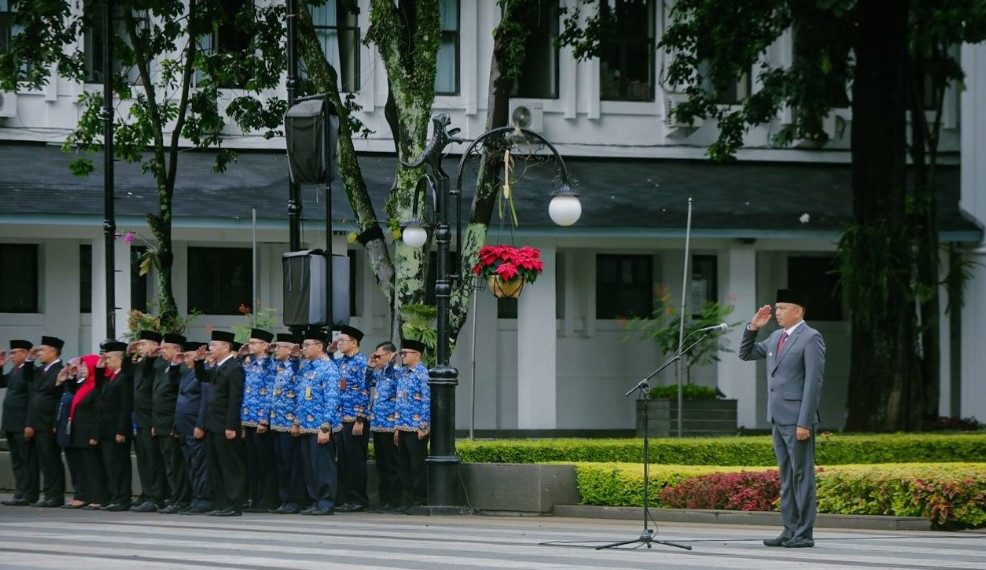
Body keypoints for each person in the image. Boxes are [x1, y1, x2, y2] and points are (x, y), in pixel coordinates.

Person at [739, 288, 825, 549]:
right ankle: (789, 530)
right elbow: (746, 353)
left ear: (799, 311)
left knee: (802, 476)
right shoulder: (776, 336)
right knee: (786, 477)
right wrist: (753, 327)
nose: (777, 313)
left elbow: (813, 382)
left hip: (797, 420)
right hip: (777, 418)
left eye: (783, 308)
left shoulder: (811, 338)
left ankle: (804, 533)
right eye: (776, 308)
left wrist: (804, 422)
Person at [196, 330, 248, 517]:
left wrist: (231, 426)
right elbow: (203, 377)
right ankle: (222, 502)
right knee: (216, 465)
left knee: (230, 466)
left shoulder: (235, 368)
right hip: (212, 424)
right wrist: (198, 361)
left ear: (226, 347)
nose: (211, 348)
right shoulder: (218, 366)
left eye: (214, 345)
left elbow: (235, 399)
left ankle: (234, 504)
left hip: (225, 425)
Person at [294, 328, 341, 516]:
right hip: (306, 425)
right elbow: (300, 396)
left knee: (323, 465)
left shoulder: (328, 368)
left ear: (319, 346)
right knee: (310, 466)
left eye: (307, 345)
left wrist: (325, 426)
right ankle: (316, 500)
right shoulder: (307, 367)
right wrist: (297, 421)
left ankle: (326, 501)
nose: (303, 349)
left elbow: (332, 398)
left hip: (320, 426)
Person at [60, 355, 108, 510]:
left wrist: (94, 435)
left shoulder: (97, 386)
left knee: (92, 466)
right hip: (76, 432)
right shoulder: (84, 384)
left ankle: (97, 497)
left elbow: (97, 413)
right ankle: (81, 495)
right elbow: (74, 394)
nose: (82, 369)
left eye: (85, 366)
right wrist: (72, 377)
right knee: (79, 466)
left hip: (88, 434)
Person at [332, 325, 370, 512]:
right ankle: (345, 497)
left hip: (355, 419)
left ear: (354, 343)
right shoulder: (340, 362)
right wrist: (331, 352)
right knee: (344, 461)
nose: (339, 343)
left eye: (343, 340)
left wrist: (360, 419)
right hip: (341, 418)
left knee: (356, 461)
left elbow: (365, 392)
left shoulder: (362, 362)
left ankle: (358, 499)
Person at [24, 336, 66, 508]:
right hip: (37, 421)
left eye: (43, 350)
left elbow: (59, 398)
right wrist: (29, 359)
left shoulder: (60, 370)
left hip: (49, 422)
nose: (40, 353)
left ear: (53, 351)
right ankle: (48, 493)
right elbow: (28, 377)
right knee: (43, 460)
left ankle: (56, 495)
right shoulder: (41, 370)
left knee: (51, 459)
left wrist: (56, 423)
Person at [240, 328, 279, 513]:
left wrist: (264, 420)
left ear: (264, 345)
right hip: (248, 419)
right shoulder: (249, 365)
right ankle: (255, 499)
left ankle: (267, 500)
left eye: (254, 343)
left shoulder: (270, 365)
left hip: (261, 421)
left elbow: (271, 393)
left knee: (265, 462)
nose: (250, 345)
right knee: (252, 462)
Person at [153, 333, 191, 514]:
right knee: (169, 465)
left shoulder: (182, 368)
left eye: (166, 347)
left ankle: (181, 499)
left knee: (176, 465)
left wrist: (175, 425)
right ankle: (174, 496)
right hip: (161, 424)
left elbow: (178, 398)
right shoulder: (165, 367)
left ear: (177, 350)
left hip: (172, 424)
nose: (162, 350)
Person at [131, 330, 169, 512]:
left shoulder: (160, 363)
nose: (140, 347)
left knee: (154, 461)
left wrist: (155, 422)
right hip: (140, 419)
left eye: (143, 344)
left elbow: (156, 393)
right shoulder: (142, 362)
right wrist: (130, 353)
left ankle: (156, 496)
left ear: (155, 346)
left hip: (152, 419)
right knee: (144, 460)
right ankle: (147, 493)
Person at [268, 333, 306, 514]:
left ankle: (295, 500)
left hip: (290, 424)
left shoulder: (296, 368)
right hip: (277, 422)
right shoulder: (279, 367)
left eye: (279, 347)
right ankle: (284, 499)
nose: (275, 350)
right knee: (280, 464)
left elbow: (300, 397)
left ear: (289, 349)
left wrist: (297, 422)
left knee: (292, 465)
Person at [95, 341, 134, 511]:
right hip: (106, 429)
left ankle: (123, 498)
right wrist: (98, 370)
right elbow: (99, 393)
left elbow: (126, 406)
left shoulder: (124, 377)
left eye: (109, 358)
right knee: (111, 465)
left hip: (117, 430)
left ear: (119, 359)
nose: (107, 361)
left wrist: (121, 430)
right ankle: (114, 496)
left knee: (119, 466)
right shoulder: (111, 377)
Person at [0, 340, 39, 506]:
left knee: (27, 460)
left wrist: (29, 423)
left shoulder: (31, 372)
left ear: (25, 353)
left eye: (15, 352)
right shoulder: (15, 371)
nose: (12, 356)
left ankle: (29, 494)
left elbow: (32, 399)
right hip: (10, 423)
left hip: (23, 423)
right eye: (11, 353)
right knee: (17, 460)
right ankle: (20, 492)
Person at [393, 339, 430, 513]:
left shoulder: (423, 374)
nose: (402, 356)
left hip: (416, 428)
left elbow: (426, 401)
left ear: (417, 354)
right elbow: (399, 402)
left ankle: (419, 499)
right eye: (401, 353)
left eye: (405, 353)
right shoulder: (403, 373)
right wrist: (397, 426)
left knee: (417, 466)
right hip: (402, 426)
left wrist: (423, 425)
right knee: (403, 466)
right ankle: (406, 500)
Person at [175, 341, 211, 515]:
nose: (185, 359)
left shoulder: (202, 373)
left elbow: (204, 401)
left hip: (195, 425)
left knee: (200, 464)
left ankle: (203, 499)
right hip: (183, 426)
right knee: (190, 464)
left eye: (188, 356)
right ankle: (194, 497)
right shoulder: (186, 373)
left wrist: (200, 425)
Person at [367, 341, 400, 512]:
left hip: (390, 425)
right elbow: (365, 384)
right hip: (378, 425)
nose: (376, 358)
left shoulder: (397, 373)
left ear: (390, 355)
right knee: (381, 465)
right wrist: (370, 366)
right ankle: (383, 498)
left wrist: (392, 363)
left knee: (392, 465)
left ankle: (393, 500)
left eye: (379, 356)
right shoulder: (379, 374)